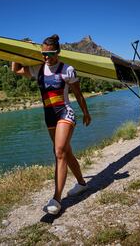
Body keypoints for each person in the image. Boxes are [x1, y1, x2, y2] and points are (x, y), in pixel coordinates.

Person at [11, 34, 91, 215]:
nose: (46, 58)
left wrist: (86, 112)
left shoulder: (67, 69)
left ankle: (56, 198)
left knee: (59, 152)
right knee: (66, 151)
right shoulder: (38, 68)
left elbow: (78, 94)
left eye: (50, 54)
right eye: (43, 54)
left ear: (58, 52)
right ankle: (82, 184)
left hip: (65, 113)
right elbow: (16, 70)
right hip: (49, 117)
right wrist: (18, 49)